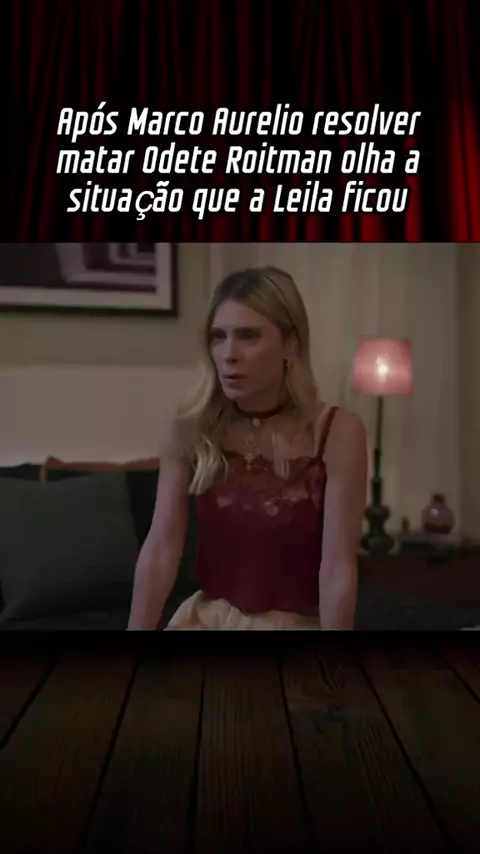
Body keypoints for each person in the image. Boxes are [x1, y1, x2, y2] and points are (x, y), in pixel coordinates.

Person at [127, 266, 367, 631]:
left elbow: (337, 569)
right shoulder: (189, 427)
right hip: (205, 622)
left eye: (249, 336)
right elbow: (160, 550)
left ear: (291, 344)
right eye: (218, 337)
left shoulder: (337, 431)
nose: (229, 354)